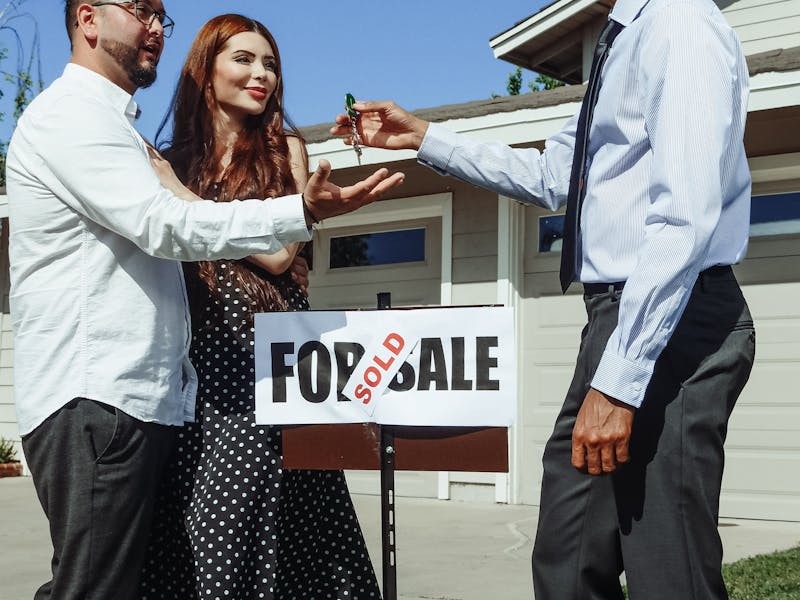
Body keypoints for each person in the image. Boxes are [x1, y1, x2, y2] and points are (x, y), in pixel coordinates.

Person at [332, 0, 755, 598]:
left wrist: (617, 384)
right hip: (618, 319)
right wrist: (423, 138)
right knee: (569, 553)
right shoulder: (621, 39)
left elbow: (683, 219)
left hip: (673, 321)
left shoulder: (679, 23)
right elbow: (556, 176)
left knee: (668, 567)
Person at [6, 1, 402, 599]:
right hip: (120, 391)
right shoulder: (83, 121)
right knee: (109, 579)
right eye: (140, 10)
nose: (156, 27)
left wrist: (282, 219)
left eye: (162, 15)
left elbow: (269, 255)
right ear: (88, 19)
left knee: (129, 575)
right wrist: (287, 213)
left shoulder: (145, 136)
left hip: (218, 378)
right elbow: (161, 225)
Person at [138, 14, 381, 599]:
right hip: (196, 367)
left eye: (269, 63)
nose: (261, 74)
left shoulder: (283, 149)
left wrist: (177, 193)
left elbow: (277, 254)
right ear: (206, 70)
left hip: (269, 362)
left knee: (274, 528)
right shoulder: (174, 158)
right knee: (198, 531)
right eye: (244, 59)